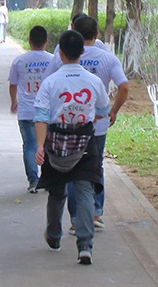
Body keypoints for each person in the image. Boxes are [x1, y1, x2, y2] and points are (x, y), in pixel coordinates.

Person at [34, 29, 109, 265]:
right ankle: (85, 245)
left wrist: (39, 146)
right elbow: (104, 109)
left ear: (61, 53)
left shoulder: (50, 82)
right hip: (85, 142)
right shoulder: (94, 81)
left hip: (56, 141)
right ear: (82, 52)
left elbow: (41, 116)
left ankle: (54, 235)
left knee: (57, 191)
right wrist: (92, 115)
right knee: (85, 190)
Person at [64, 15, 129, 231]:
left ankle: (76, 218)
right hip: (98, 125)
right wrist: (113, 110)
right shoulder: (108, 58)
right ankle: (95, 212)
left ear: (74, 31)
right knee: (96, 165)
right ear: (97, 34)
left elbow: (49, 83)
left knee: (72, 167)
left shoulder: (64, 55)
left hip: (70, 122)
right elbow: (124, 86)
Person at [8, 25, 52, 193]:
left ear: (29, 41)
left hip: (26, 110)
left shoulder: (19, 61)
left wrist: (14, 101)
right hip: (48, 111)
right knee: (48, 145)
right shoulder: (53, 60)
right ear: (46, 41)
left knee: (30, 145)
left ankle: (33, 180)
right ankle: (47, 178)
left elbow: (13, 84)